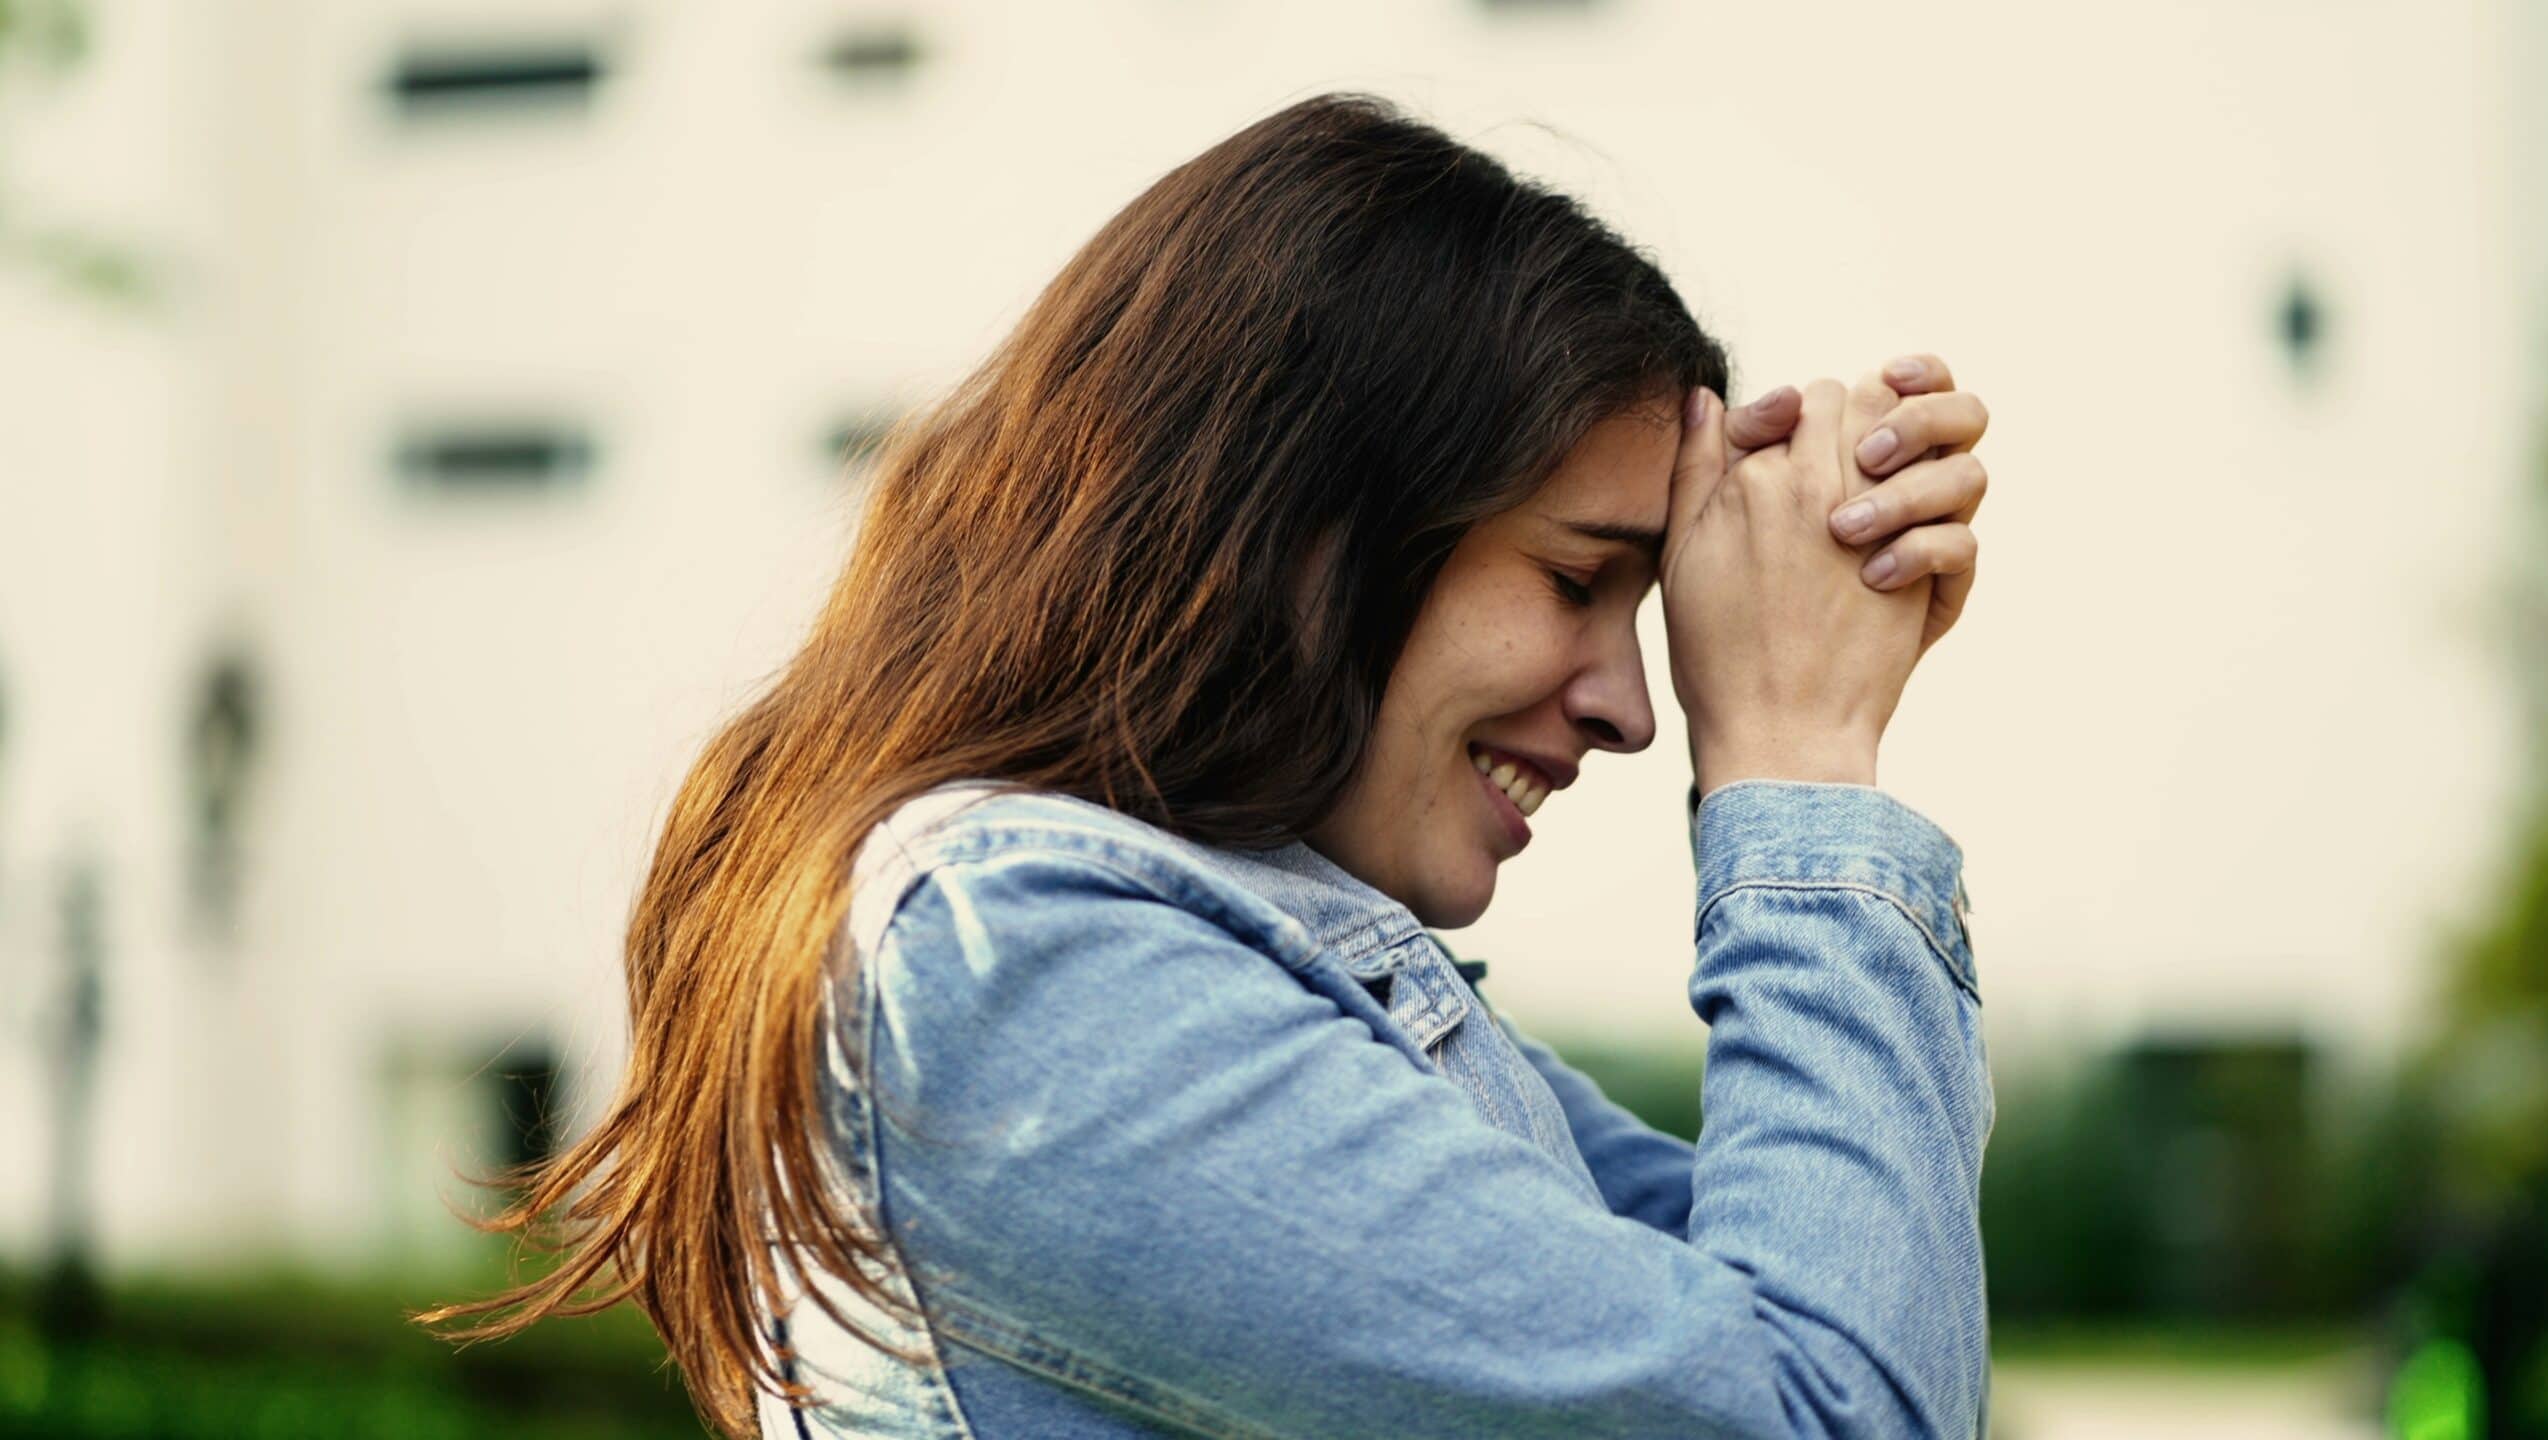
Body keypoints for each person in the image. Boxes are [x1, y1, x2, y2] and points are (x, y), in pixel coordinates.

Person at [421, 92, 1996, 1439]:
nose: (1631, 705)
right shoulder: (1018, 967)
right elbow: (1828, 1412)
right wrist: (1797, 771)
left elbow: (1838, 1309)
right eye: (1577, 579)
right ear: (1309, 535)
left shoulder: (1223, 954)